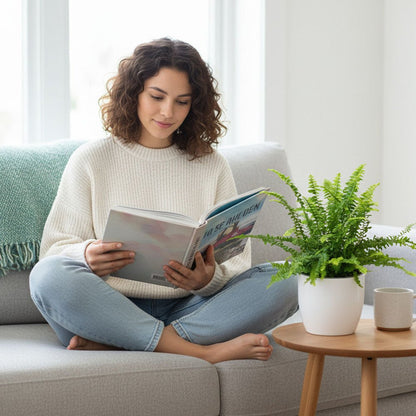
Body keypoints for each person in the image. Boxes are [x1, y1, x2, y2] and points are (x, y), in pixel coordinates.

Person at [29, 38, 298, 364]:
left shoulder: (211, 164)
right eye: (157, 97)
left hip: (187, 306)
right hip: (109, 305)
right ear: (134, 94)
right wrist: (86, 256)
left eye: (182, 102)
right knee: (47, 277)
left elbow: (237, 265)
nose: (168, 112)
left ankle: (125, 341)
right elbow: (53, 252)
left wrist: (206, 279)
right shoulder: (91, 159)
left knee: (293, 278)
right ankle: (201, 351)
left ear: (194, 105)